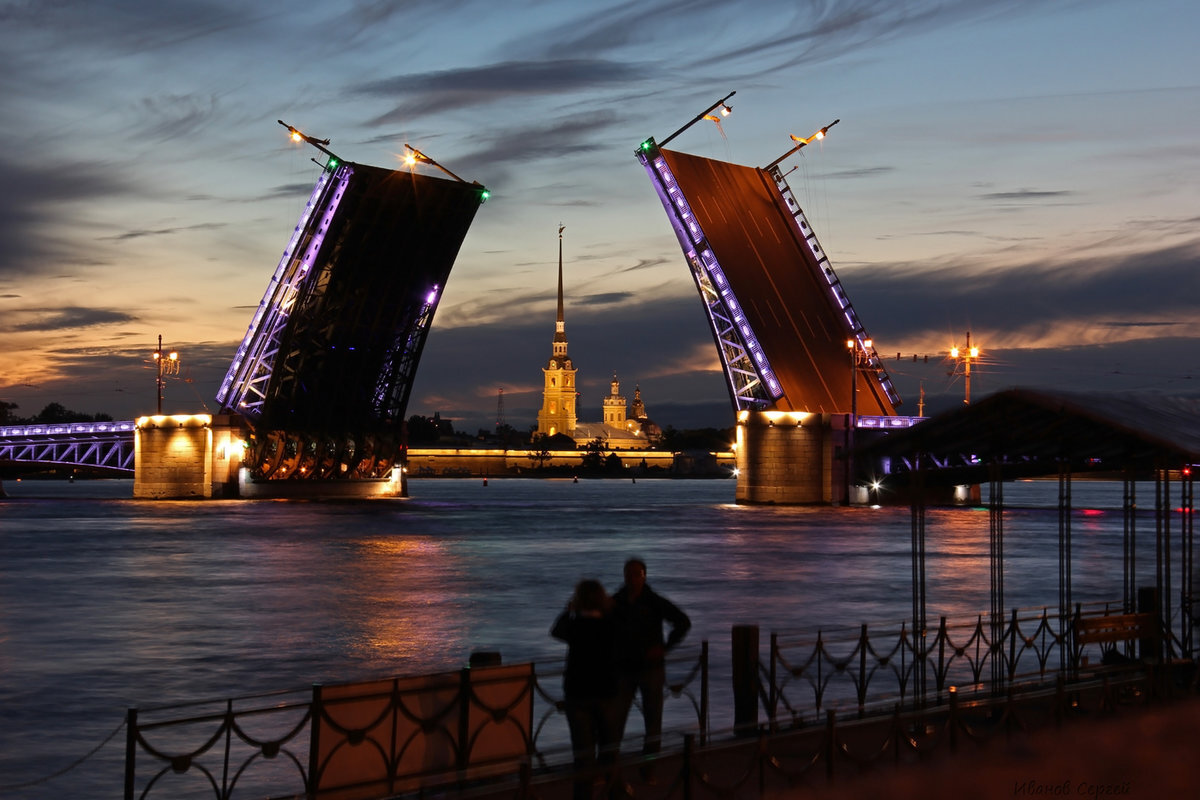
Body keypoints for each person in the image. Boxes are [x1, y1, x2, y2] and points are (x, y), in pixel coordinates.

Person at [612, 558, 691, 775]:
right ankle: (610, 767)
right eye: (629, 574)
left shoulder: (653, 601)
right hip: (624, 668)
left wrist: (665, 648)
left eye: (636, 574)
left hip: (650, 669)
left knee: (653, 721)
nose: (632, 578)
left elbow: (682, 621)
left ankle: (649, 767)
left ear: (644, 576)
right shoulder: (616, 601)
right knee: (615, 720)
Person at [551, 579, 620, 800]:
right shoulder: (610, 626)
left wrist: (568, 610)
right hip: (606, 692)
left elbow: (556, 630)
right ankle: (613, 793)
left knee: (582, 754)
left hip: (577, 693)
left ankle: (583, 796)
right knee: (609, 749)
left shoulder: (574, 627)